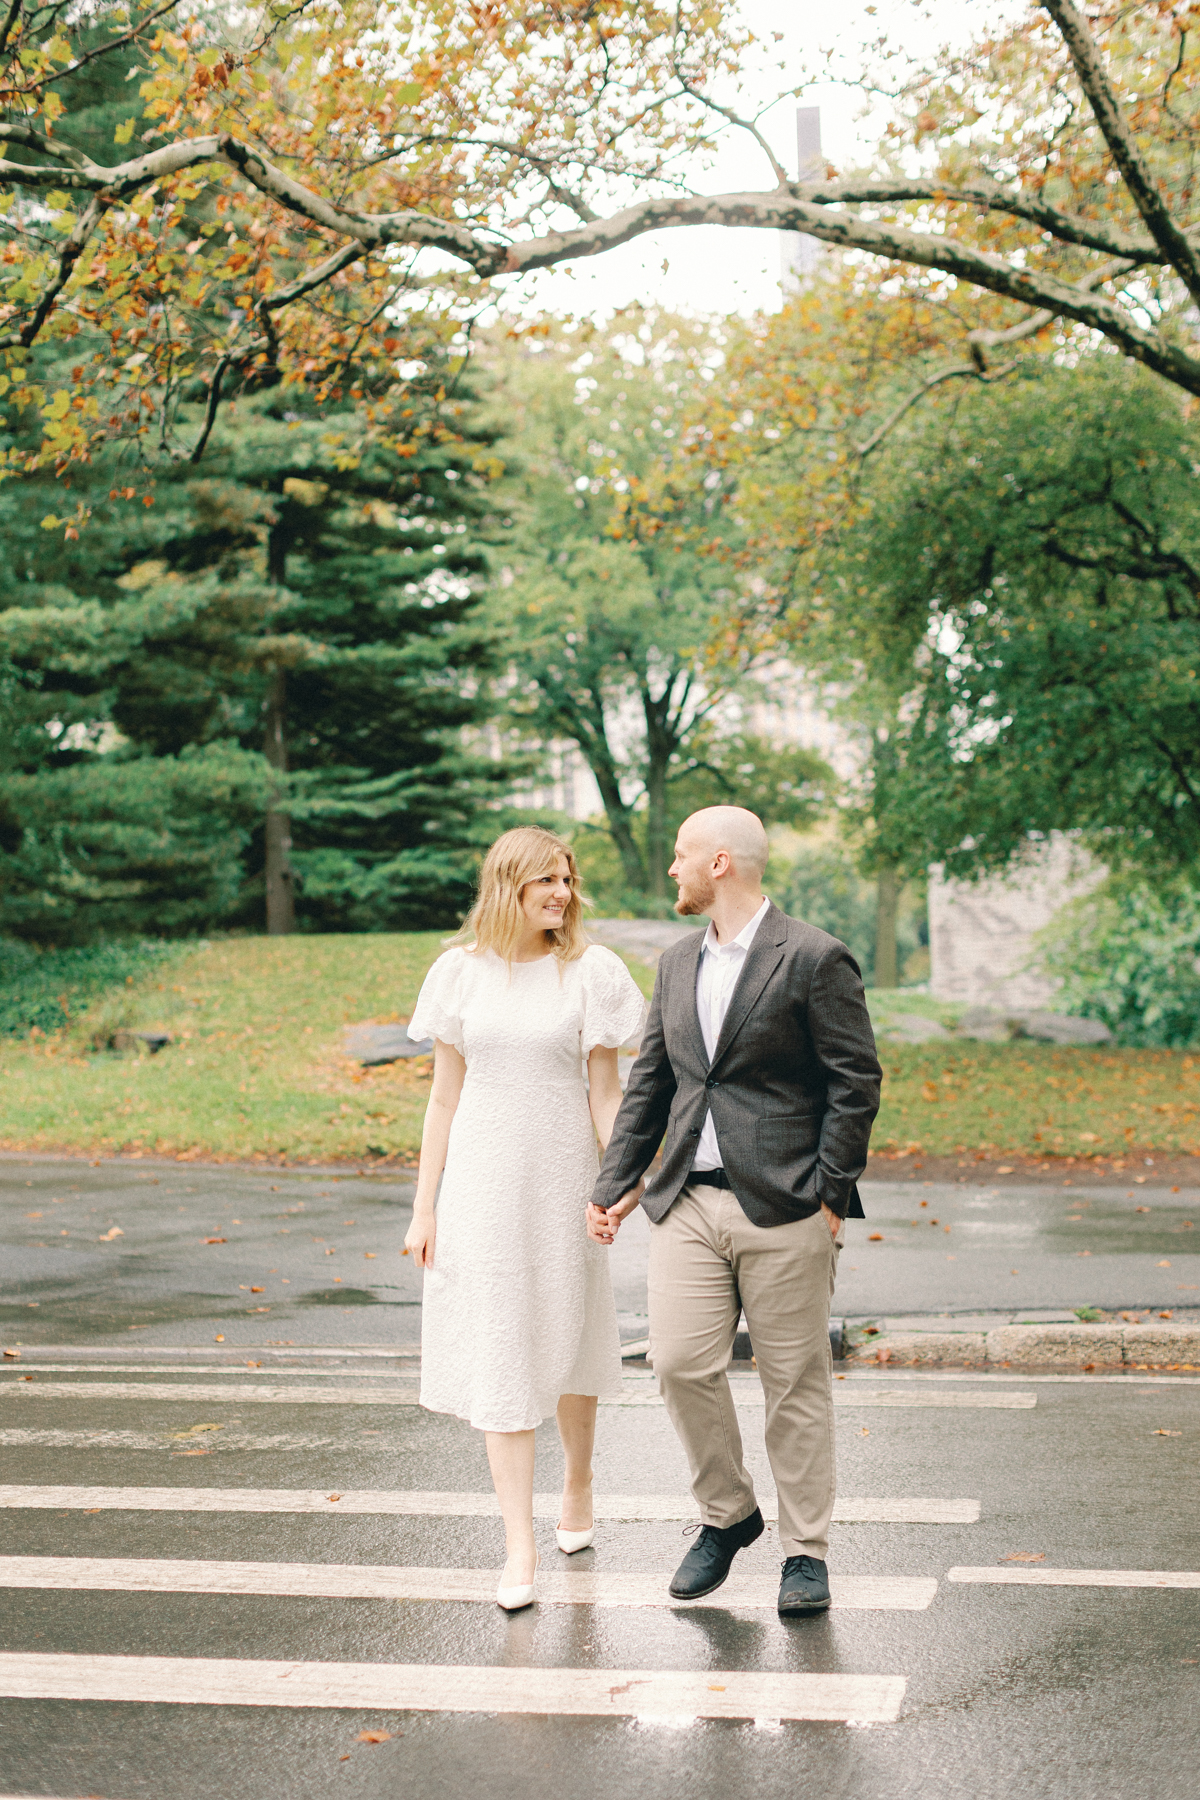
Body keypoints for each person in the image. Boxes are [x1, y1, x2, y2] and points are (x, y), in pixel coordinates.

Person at [588, 805, 881, 1616]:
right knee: (678, 1364)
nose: (672, 871)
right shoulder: (675, 963)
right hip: (684, 1200)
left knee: (795, 1381)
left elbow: (856, 1082)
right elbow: (653, 1084)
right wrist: (612, 1185)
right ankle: (729, 1515)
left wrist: (830, 1193)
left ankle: (805, 1553)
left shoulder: (816, 957)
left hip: (784, 1203)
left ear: (720, 863)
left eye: (681, 857)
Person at [404, 825, 646, 1612]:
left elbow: (605, 1095)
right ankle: (518, 1542)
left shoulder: (592, 973)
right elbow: (444, 1097)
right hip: (480, 1187)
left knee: (570, 1335)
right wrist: (424, 1209)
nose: (562, 895)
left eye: (568, 881)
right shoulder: (458, 974)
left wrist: (622, 1178)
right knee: (501, 1349)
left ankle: (578, 1481)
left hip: (563, 1179)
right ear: (507, 885)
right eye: (546, 881)